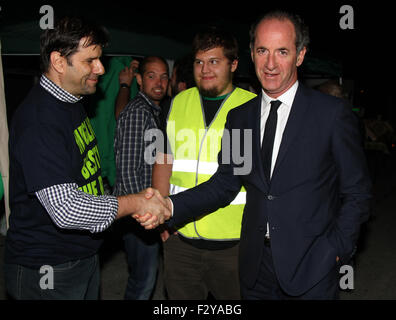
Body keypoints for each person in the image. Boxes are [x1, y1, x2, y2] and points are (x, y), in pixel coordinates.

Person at [138, 11, 372, 300]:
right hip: (253, 269)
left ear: (300, 55)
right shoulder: (240, 117)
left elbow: (357, 192)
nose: (270, 63)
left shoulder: (331, 115)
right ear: (252, 54)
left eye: (282, 51)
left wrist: (336, 250)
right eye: (262, 51)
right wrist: (170, 207)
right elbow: (225, 184)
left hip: (313, 267)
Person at [4, 17, 169, 300]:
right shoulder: (40, 121)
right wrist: (136, 202)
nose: (101, 69)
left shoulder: (71, 100)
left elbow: (86, 174)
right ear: (58, 61)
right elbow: (67, 209)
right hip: (48, 268)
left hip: (81, 256)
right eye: (90, 61)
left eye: (100, 59)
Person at [152, 26, 256, 299]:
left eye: (214, 61)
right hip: (180, 240)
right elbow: (162, 159)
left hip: (234, 245)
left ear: (233, 64)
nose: (205, 69)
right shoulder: (175, 104)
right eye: (199, 62)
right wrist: (163, 217)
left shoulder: (253, 108)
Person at [113, 56, 169, 300]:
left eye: (164, 76)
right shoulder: (138, 112)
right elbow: (126, 172)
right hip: (139, 216)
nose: (159, 82)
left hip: (145, 212)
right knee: (143, 282)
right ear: (138, 80)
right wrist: (147, 215)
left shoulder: (151, 110)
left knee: (145, 278)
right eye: (151, 76)